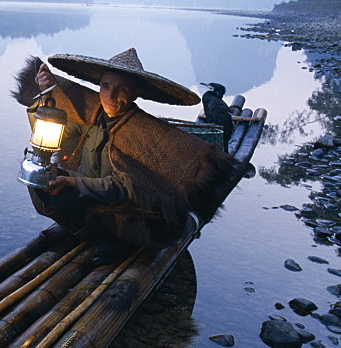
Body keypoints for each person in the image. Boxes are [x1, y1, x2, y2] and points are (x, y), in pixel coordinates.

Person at [13, 48, 238, 257]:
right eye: (106, 86)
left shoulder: (143, 132)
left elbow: (125, 187)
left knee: (63, 190)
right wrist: (45, 96)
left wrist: (74, 183)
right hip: (94, 195)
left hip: (133, 212)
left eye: (122, 89)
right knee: (41, 177)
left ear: (136, 93)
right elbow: (53, 125)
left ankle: (111, 242)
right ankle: (79, 228)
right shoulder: (94, 117)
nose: (110, 95)